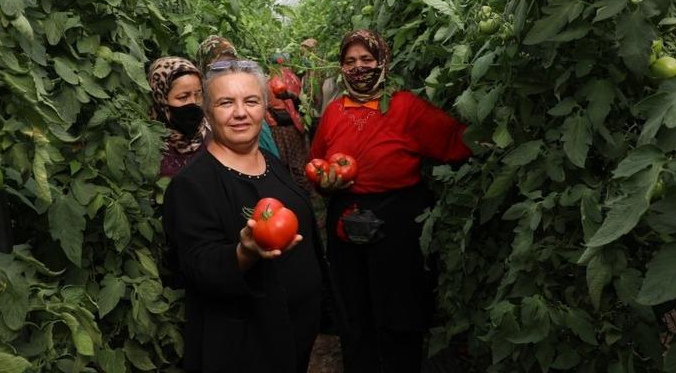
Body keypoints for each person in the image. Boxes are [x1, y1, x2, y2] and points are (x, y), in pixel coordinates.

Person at [309, 29, 472, 373]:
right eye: (350, 62)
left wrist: (489, 138)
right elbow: (317, 161)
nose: (359, 68)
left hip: (398, 217)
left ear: (383, 61)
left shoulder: (405, 106)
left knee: (400, 302)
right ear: (341, 68)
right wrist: (326, 183)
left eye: (367, 60)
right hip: (346, 215)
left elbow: (451, 139)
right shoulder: (335, 112)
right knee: (353, 302)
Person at [163, 59, 324, 373]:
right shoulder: (192, 185)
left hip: (293, 333)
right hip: (244, 345)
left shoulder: (271, 164)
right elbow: (198, 264)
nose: (240, 112)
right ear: (208, 111)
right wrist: (244, 252)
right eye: (226, 103)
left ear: (264, 107)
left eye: (250, 101)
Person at [196, 35, 280, 158]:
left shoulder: (257, 122)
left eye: (231, 63)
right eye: (218, 66)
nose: (226, 70)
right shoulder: (201, 113)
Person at [147, 57, 208, 177]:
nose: (193, 102)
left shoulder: (215, 136)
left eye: (198, 94)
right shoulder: (148, 145)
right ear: (161, 99)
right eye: (183, 97)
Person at [266, 55, 311, 191]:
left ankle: (290, 191)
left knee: (283, 161)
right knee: (298, 159)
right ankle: (306, 190)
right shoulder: (294, 79)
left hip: (277, 127)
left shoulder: (269, 82)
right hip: (295, 124)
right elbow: (302, 102)